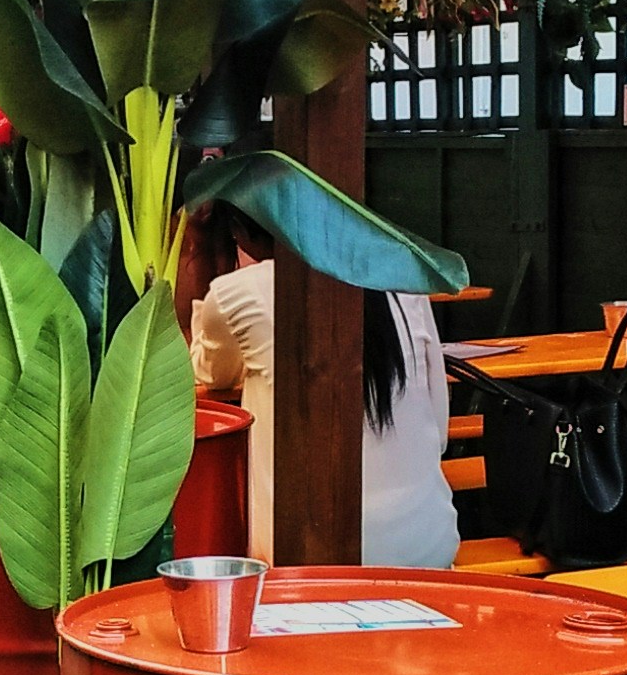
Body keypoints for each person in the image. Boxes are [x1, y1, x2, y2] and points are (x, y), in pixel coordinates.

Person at [189, 231, 458, 570]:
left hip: (298, 566)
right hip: (429, 550)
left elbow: (211, 373)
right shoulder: (402, 282)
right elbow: (440, 430)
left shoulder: (235, 292)